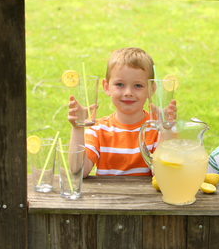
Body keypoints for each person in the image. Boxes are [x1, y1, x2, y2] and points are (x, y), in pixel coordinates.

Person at [67, 47, 176, 177]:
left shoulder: (155, 129)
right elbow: (78, 170)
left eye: (138, 85)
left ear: (151, 89)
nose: (128, 93)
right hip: (107, 197)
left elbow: (163, 175)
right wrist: (78, 127)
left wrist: (166, 130)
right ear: (107, 87)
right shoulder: (98, 129)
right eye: (120, 84)